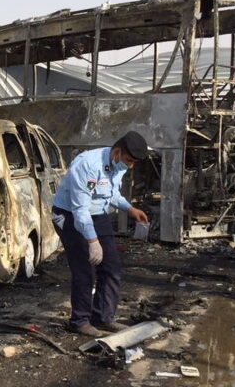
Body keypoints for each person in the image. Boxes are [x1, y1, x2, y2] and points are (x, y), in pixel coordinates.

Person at [51, 131, 150, 337]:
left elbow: (111, 193)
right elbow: (80, 210)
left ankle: (103, 318)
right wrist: (93, 241)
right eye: (128, 161)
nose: (130, 166)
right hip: (69, 215)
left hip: (97, 213)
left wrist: (129, 208)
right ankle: (79, 321)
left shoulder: (118, 164)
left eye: (133, 163)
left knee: (111, 266)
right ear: (116, 152)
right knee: (85, 269)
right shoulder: (87, 164)